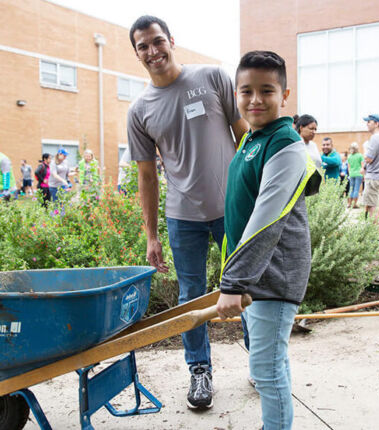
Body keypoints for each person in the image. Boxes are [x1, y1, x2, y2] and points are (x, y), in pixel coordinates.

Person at [127, 15, 248, 410]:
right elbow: (147, 177)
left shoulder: (213, 78)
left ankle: (258, 356)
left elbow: (244, 134)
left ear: (171, 40)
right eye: (143, 46)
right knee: (191, 296)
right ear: (137, 53)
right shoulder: (140, 110)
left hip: (232, 208)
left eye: (157, 41)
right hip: (183, 217)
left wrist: (253, 193)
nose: (152, 51)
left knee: (246, 285)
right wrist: (151, 235)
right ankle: (199, 371)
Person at [216, 51, 315, 430]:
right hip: (257, 275)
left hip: (274, 274)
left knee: (266, 370)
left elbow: (266, 219)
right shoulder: (253, 139)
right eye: (246, 91)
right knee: (271, 361)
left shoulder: (285, 143)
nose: (255, 99)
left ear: (284, 95)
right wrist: (232, 276)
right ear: (236, 95)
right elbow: (237, 212)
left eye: (266, 90)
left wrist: (234, 282)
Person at [347, 142, 364, 208]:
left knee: (351, 189)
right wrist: (363, 175)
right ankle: (354, 204)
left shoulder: (349, 156)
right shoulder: (360, 155)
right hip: (358, 174)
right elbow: (362, 166)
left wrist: (350, 173)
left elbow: (348, 167)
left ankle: (349, 203)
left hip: (351, 174)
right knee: (356, 189)